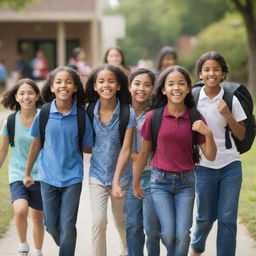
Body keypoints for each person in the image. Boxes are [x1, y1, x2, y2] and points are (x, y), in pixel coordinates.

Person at [133, 65, 217, 256]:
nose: (176, 88)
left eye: (181, 83)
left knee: (182, 234)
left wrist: (208, 134)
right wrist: (136, 181)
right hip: (159, 182)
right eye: (171, 84)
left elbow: (210, 156)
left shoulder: (195, 117)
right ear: (163, 89)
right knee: (168, 234)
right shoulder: (153, 117)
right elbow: (144, 152)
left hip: (186, 182)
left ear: (188, 88)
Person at [23, 66, 94, 256]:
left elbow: (88, 146)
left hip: (73, 177)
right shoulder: (44, 113)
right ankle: (66, 245)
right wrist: (27, 172)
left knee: (68, 225)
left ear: (75, 87)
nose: (64, 85)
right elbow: (36, 144)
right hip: (48, 177)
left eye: (69, 82)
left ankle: (66, 250)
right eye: (59, 82)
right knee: (52, 226)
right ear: (52, 87)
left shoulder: (81, 115)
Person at [189, 52, 247, 256]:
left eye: (216, 69)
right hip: (203, 167)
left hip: (230, 165)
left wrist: (228, 115)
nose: (211, 73)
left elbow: (241, 133)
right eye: (206, 70)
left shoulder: (230, 99)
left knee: (227, 217)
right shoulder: (194, 99)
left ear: (223, 74)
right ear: (200, 74)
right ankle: (197, 246)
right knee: (204, 217)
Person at [84, 64, 136, 256]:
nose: (106, 85)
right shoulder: (88, 112)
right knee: (99, 221)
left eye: (111, 81)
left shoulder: (127, 113)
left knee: (121, 221)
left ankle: (125, 249)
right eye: (101, 81)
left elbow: (126, 149)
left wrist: (115, 181)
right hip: (97, 175)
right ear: (95, 86)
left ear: (119, 86)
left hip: (121, 177)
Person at [112, 68, 161, 256]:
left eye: (147, 84)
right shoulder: (123, 112)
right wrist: (134, 157)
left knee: (152, 230)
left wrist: (138, 157)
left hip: (152, 176)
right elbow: (115, 144)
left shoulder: (156, 114)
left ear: (153, 88)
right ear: (129, 86)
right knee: (132, 226)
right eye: (137, 84)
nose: (142, 88)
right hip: (129, 176)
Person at [0, 78, 44, 256]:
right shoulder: (10, 121)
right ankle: (23, 244)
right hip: (18, 172)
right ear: (16, 97)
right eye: (22, 93)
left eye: (30, 93)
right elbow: (3, 151)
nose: (26, 96)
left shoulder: (44, 117)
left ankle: (38, 250)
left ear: (37, 95)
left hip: (41, 174)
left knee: (37, 216)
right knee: (20, 209)